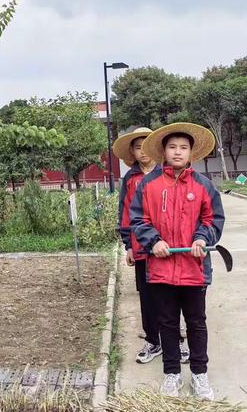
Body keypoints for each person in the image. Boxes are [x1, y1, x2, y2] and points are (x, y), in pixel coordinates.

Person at [130, 123, 225, 400]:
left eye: (183, 147)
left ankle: (199, 375)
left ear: (191, 152)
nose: (178, 152)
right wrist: (154, 241)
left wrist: (201, 239)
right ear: (163, 151)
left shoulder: (204, 185)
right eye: (172, 147)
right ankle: (171, 374)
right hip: (160, 269)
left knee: (196, 323)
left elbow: (212, 219)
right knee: (167, 323)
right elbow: (139, 219)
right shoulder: (148, 185)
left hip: (194, 269)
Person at [113, 127, 162, 363]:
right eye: (137, 146)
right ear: (132, 151)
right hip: (141, 247)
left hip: (165, 247)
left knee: (171, 295)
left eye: (146, 144)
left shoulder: (166, 173)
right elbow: (124, 213)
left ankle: (175, 339)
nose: (142, 150)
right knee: (147, 295)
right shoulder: (130, 179)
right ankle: (153, 340)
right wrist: (128, 245)